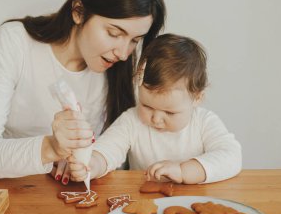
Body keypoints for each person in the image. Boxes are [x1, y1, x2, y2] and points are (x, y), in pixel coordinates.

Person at [0, 0, 166, 180]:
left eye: (135, 40)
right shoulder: (14, 42)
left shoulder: (117, 66)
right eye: (113, 33)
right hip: (10, 190)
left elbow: (113, 151)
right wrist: (50, 148)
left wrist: (82, 160)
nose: (123, 54)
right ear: (78, 12)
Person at [68, 34, 242, 184]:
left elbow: (231, 156)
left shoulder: (204, 123)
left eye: (170, 112)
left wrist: (184, 171)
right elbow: (109, 148)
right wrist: (93, 164)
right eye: (147, 106)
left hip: (195, 200)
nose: (156, 119)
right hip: (145, 201)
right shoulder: (132, 120)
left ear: (197, 98)